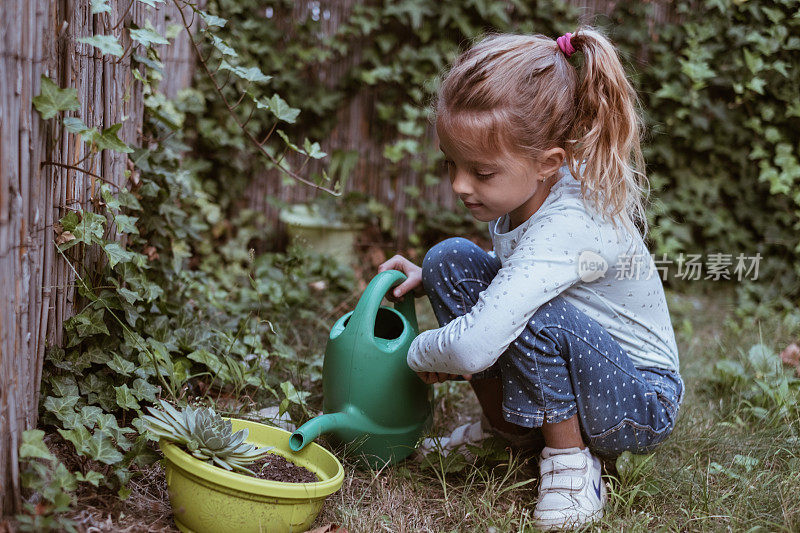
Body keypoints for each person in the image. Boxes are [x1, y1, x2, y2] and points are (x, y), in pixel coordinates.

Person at [377, 28, 683, 530]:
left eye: (482, 172)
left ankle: (571, 466)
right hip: (582, 363)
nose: (459, 186)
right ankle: (508, 432)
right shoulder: (529, 193)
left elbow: (475, 347)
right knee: (448, 259)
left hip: (639, 401)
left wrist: (418, 354)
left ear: (548, 164)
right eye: (450, 164)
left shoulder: (572, 221)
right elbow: (505, 279)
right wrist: (433, 278)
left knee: (534, 314)